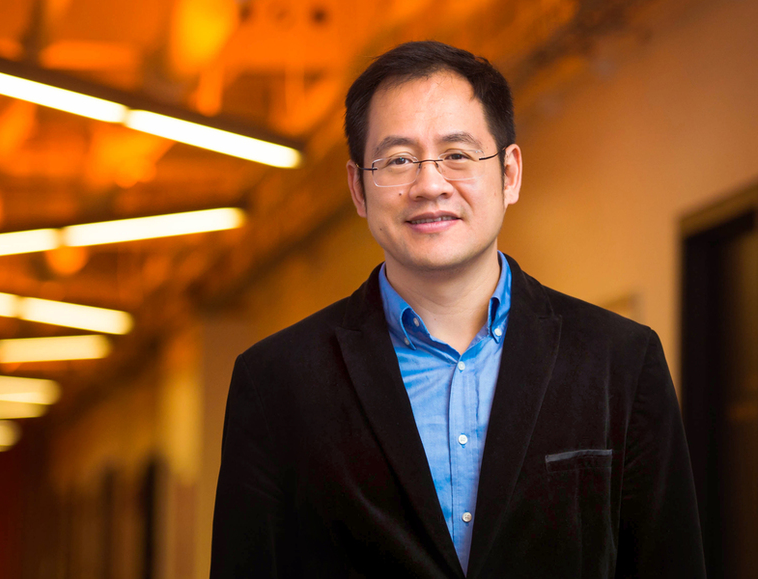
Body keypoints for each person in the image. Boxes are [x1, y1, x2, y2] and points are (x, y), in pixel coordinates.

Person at [210, 40, 705, 578]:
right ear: (358, 188)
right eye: (398, 160)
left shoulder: (621, 362)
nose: (430, 185)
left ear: (509, 174)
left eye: (458, 155)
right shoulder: (276, 381)